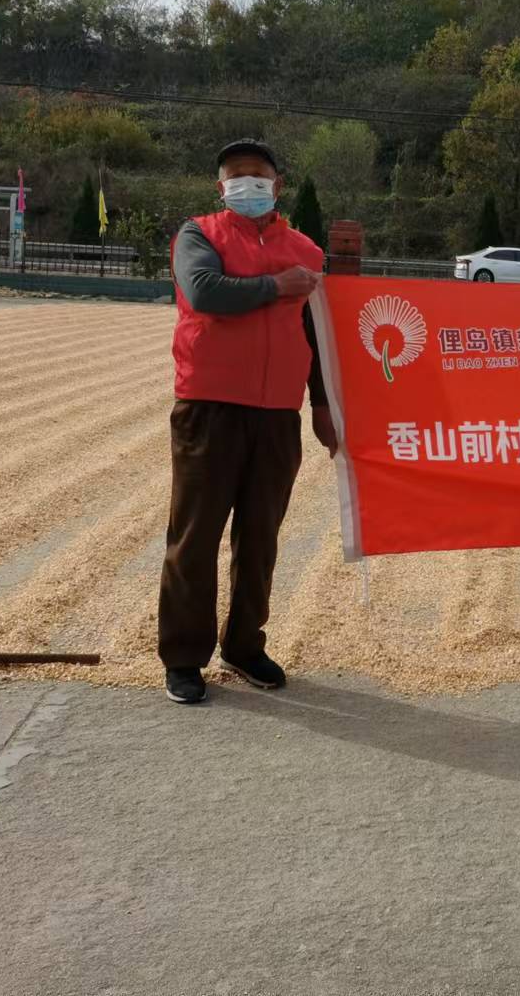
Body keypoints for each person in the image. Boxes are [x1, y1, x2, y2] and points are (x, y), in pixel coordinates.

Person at [158, 138, 338, 705]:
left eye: (258, 175)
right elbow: (204, 292)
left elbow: (316, 334)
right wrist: (275, 286)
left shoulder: (306, 251)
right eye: (236, 176)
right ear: (221, 187)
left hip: (277, 414)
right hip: (209, 406)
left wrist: (323, 406)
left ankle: (244, 644)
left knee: (260, 538)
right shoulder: (199, 234)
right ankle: (184, 657)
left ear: (277, 185)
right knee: (195, 536)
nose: (248, 184)